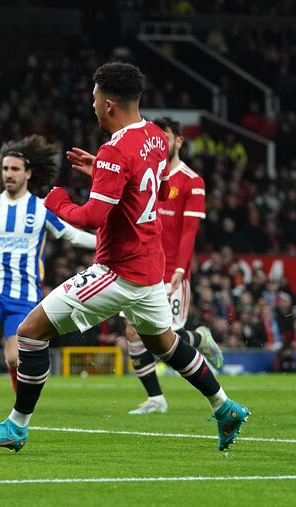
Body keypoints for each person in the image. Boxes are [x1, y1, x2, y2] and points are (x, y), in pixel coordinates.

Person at [0, 62, 249, 452]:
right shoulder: (154, 138)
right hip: (149, 269)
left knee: (29, 334)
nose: (93, 105)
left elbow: (93, 218)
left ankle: (15, 427)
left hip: (118, 271)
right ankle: (224, 406)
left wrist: (56, 200)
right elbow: (148, 184)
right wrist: (100, 170)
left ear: (110, 103)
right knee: (166, 344)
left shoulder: (115, 149)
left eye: (95, 98)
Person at [69, 117, 224, 415]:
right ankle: (156, 398)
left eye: (167, 137)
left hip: (172, 271)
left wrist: (181, 270)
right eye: (159, 137)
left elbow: (189, 231)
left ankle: (201, 338)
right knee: (133, 334)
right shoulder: (143, 166)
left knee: (165, 340)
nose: (161, 142)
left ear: (179, 141)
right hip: (140, 263)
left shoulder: (192, 181)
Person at [0, 134, 96, 416]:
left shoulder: (41, 208)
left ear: (28, 173)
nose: (9, 174)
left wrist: (105, 243)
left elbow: (72, 236)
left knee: (15, 358)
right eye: (5, 169)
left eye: (15, 169)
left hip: (24, 293)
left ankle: (18, 387)